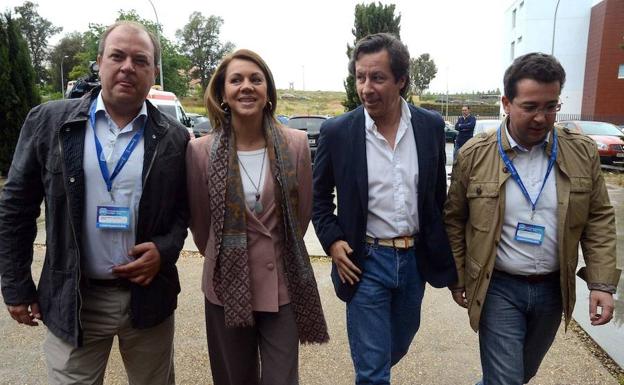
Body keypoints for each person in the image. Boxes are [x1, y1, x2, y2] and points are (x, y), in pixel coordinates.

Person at [0, 21, 189, 385]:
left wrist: (164, 251)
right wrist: (17, 285)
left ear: (153, 71)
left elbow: (183, 211)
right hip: (74, 300)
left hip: (148, 300)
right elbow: (16, 208)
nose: (128, 67)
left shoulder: (175, 138)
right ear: (100, 62)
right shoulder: (49, 122)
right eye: (117, 56)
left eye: (141, 59)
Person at [445, 52, 621, 385]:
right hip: (498, 286)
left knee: (521, 374)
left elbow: (598, 218)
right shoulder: (475, 154)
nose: (541, 117)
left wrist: (601, 283)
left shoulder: (581, 152)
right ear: (506, 103)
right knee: (507, 380)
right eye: (530, 107)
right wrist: (458, 276)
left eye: (550, 106)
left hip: (553, 290)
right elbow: (454, 219)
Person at [312, 33, 457, 384]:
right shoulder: (338, 132)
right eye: (360, 77)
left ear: (401, 80)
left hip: (413, 262)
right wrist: (332, 242)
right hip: (365, 262)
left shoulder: (430, 126)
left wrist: (453, 267)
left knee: (397, 346)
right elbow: (317, 198)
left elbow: (438, 200)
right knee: (374, 371)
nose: (366, 88)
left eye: (377, 78)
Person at [186, 48, 329, 385]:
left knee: (282, 378)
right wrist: (230, 263)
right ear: (223, 93)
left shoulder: (294, 145)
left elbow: (302, 214)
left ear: (268, 91)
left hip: (282, 286)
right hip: (225, 288)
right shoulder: (200, 151)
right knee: (235, 378)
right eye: (236, 80)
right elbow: (200, 224)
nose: (246, 86)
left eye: (256, 79)